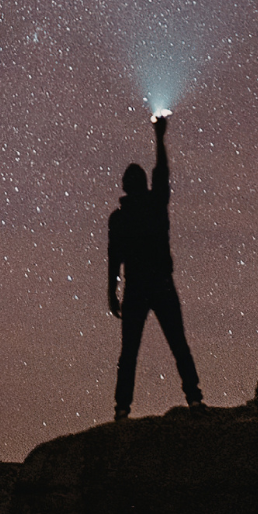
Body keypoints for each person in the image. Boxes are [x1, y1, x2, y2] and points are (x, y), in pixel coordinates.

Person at [107, 112, 204, 421]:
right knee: (177, 343)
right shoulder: (155, 203)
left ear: (125, 185)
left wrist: (112, 291)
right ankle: (194, 399)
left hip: (138, 285)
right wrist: (159, 137)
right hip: (159, 283)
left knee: (130, 352)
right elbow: (162, 170)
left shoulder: (121, 217)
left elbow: (114, 257)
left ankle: (122, 409)